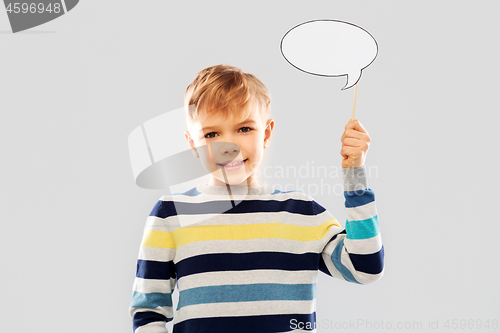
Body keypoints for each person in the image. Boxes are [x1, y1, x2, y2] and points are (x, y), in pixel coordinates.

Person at [129, 64, 384, 333]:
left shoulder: (301, 213)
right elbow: (148, 313)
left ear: (267, 133)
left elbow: (364, 268)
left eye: (244, 129)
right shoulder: (171, 214)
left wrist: (354, 173)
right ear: (192, 144)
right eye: (211, 134)